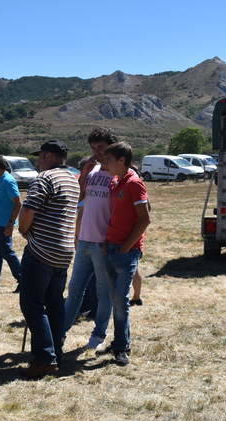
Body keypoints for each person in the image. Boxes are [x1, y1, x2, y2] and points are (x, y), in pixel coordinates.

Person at [18, 140, 80, 378]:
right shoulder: (72, 180)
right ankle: (56, 352)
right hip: (63, 250)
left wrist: (24, 231)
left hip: (42, 249)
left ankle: (45, 357)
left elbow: (28, 210)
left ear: (47, 156)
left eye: (39, 156)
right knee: (54, 304)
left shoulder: (44, 178)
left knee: (32, 304)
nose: (37, 161)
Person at [62, 128, 118, 350]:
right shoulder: (92, 170)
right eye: (93, 148)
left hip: (104, 242)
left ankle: (98, 335)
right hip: (85, 239)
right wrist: (84, 174)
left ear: (111, 147)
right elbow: (79, 197)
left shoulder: (119, 172)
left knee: (104, 292)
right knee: (75, 289)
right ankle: (60, 332)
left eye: (101, 147)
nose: (97, 152)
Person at [101, 142, 150, 366]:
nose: (105, 163)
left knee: (121, 300)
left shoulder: (134, 183)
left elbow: (144, 219)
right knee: (116, 299)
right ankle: (121, 341)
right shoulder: (115, 182)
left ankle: (121, 347)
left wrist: (125, 247)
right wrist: (108, 242)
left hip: (126, 251)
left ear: (121, 160)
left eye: (109, 160)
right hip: (111, 247)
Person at [0, 156, 22, 291]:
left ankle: (22, 279)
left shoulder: (8, 181)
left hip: (3, 225)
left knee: (7, 253)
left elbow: (18, 204)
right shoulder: (0, 180)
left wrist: (11, 224)